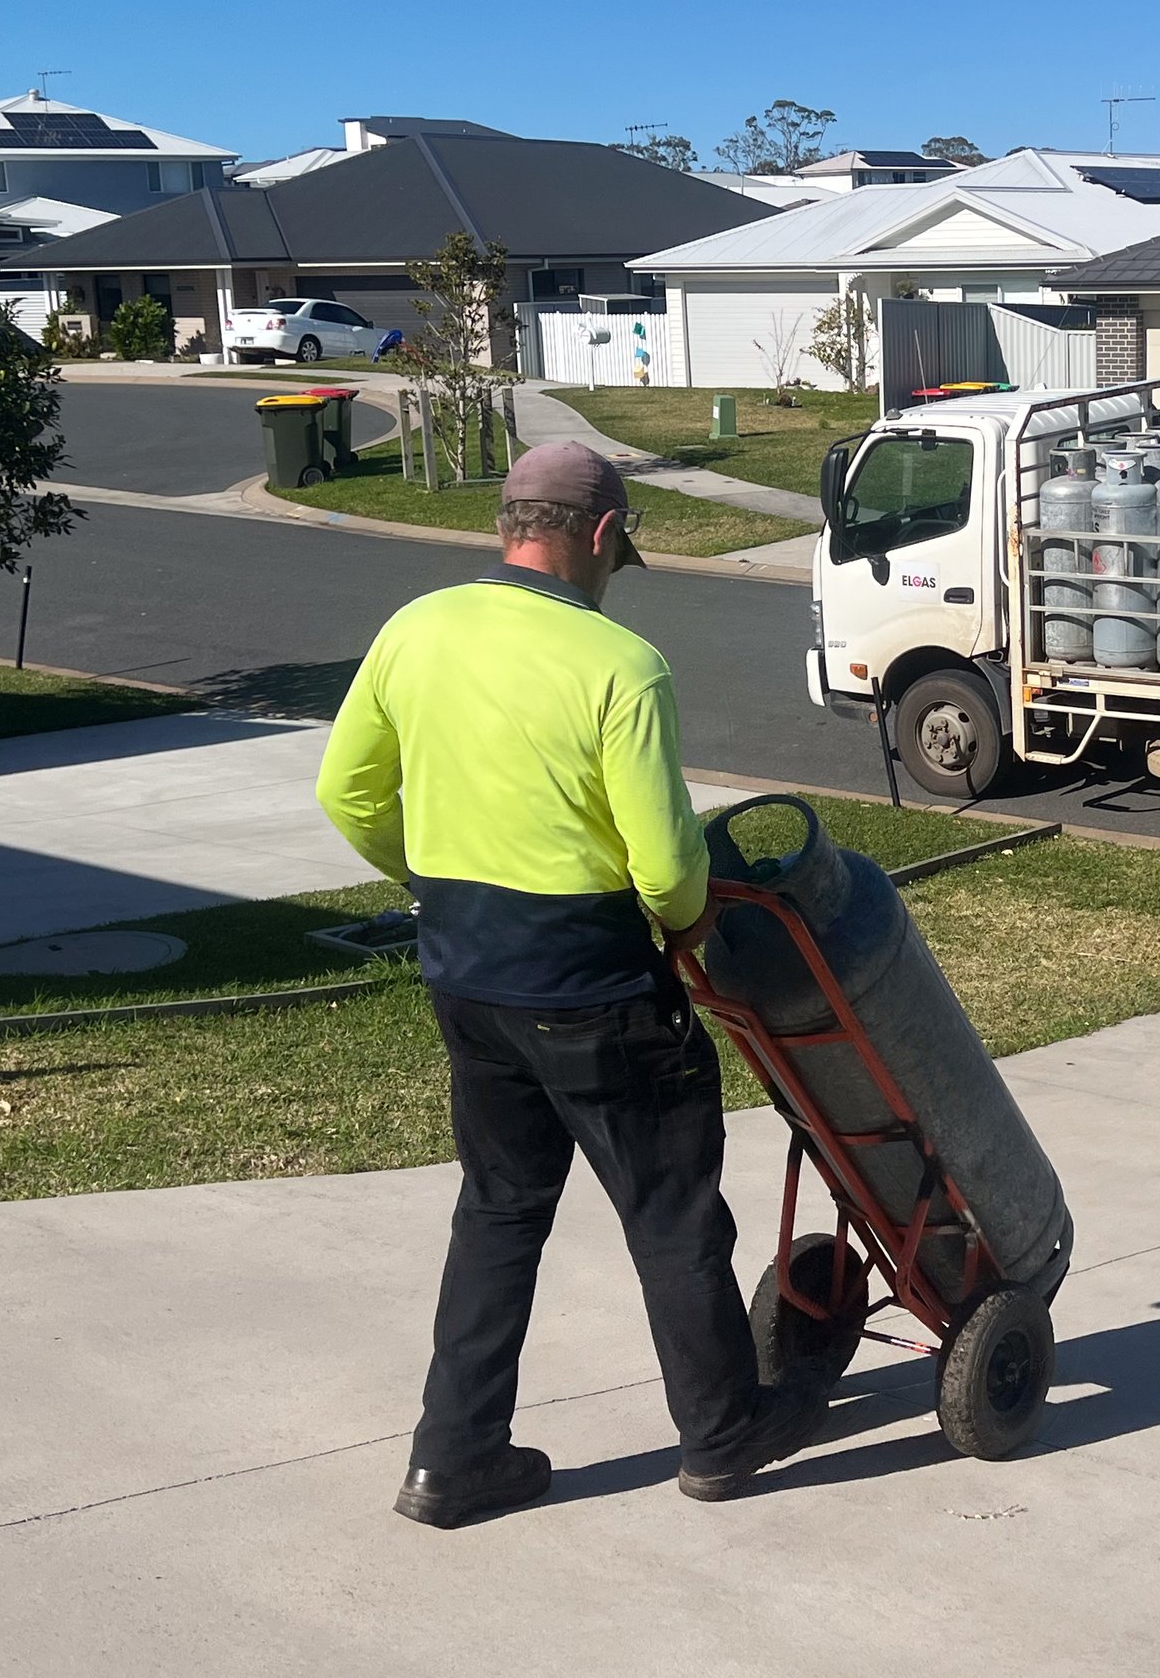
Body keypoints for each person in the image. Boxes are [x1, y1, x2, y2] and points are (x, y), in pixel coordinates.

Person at [316, 441, 828, 1528]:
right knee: (673, 1216)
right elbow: (667, 865)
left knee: (499, 1212)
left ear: (509, 523)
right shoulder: (619, 666)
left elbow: (347, 790)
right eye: (618, 553)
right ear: (599, 536)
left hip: (467, 980)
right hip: (596, 990)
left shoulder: (417, 629)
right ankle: (723, 1435)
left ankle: (452, 1460)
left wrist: (432, 874)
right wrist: (690, 930)